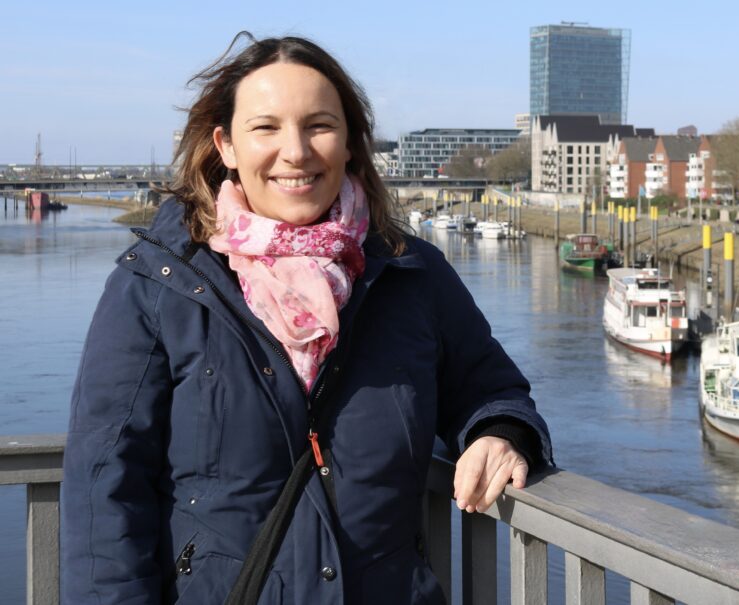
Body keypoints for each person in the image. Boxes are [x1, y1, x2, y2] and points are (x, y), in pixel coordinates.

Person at [62, 35, 552, 603]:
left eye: (319, 125)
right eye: (265, 127)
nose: (295, 152)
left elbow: (493, 390)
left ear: (349, 143)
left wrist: (501, 434)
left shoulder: (411, 275)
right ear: (226, 145)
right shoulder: (159, 284)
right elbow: (105, 487)